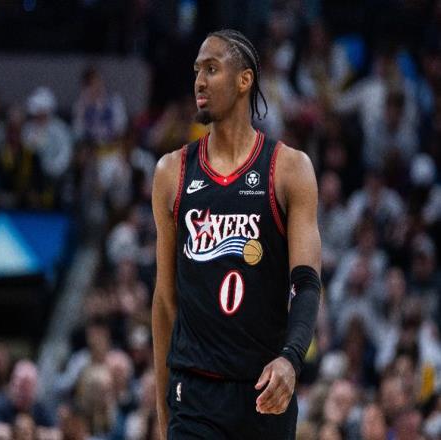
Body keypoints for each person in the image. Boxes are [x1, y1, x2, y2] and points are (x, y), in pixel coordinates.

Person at [152, 29, 321, 439]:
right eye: (196, 71)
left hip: (264, 390)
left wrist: (291, 359)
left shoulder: (289, 169)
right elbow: (165, 300)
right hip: (194, 395)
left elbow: (306, 284)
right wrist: (162, 405)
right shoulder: (172, 172)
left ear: (244, 80)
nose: (199, 81)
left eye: (211, 69)